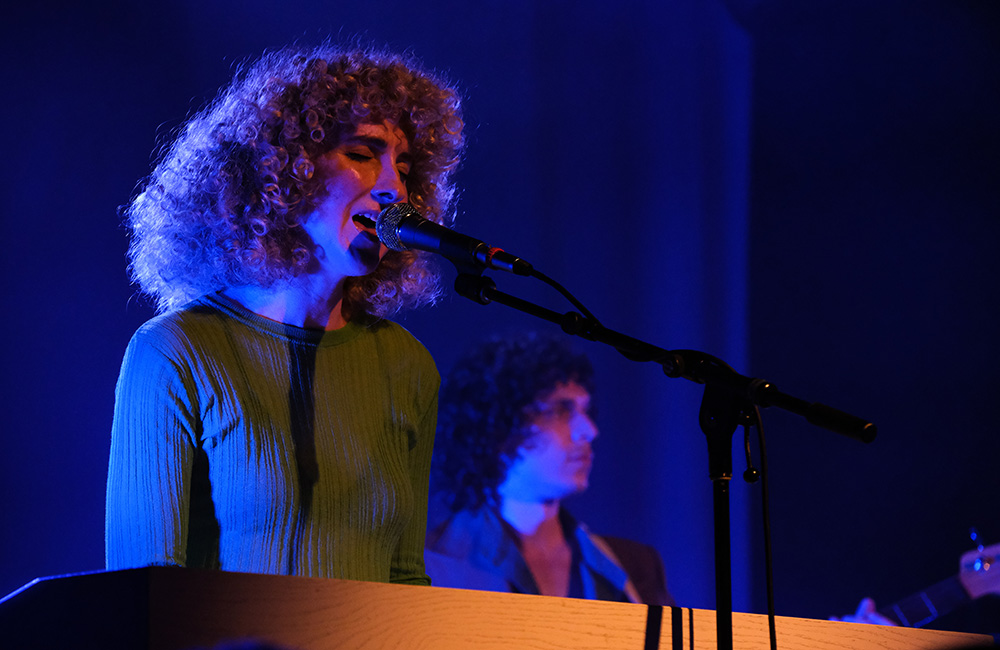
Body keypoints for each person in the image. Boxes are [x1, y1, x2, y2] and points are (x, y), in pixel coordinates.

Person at [105, 43, 465, 586]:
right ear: (287, 171)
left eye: (405, 166)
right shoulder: (175, 350)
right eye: (364, 154)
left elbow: (406, 579)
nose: (395, 188)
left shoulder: (404, 363)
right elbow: (140, 593)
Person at [425, 332, 674, 605]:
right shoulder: (432, 562)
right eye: (561, 410)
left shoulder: (632, 566)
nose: (589, 431)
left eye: (586, 412)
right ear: (499, 426)